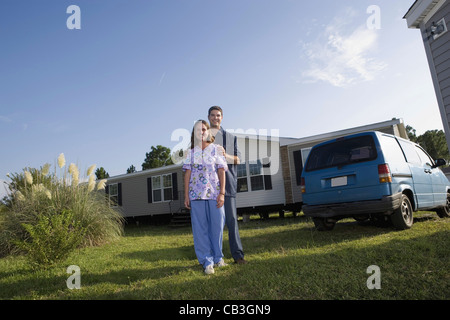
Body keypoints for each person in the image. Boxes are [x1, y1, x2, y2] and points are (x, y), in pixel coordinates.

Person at [183, 120, 228, 274]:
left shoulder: (216, 149)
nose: (201, 132)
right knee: (200, 229)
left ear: (208, 132)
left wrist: (222, 193)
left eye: (203, 129)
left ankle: (218, 258)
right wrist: (186, 195)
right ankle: (206, 261)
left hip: (215, 194)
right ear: (194, 133)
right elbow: (187, 174)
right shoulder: (190, 152)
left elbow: (222, 171)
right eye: (197, 130)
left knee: (217, 226)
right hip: (196, 195)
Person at [208, 106, 247, 264]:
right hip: (208, 188)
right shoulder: (202, 137)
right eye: (213, 115)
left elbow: (238, 160)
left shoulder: (231, 138)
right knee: (212, 223)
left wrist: (226, 155)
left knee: (231, 221)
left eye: (218, 115)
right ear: (208, 117)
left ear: (222, 118)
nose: (215, 118)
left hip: (228, 186)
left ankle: (238, 256)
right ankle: (212, 257)